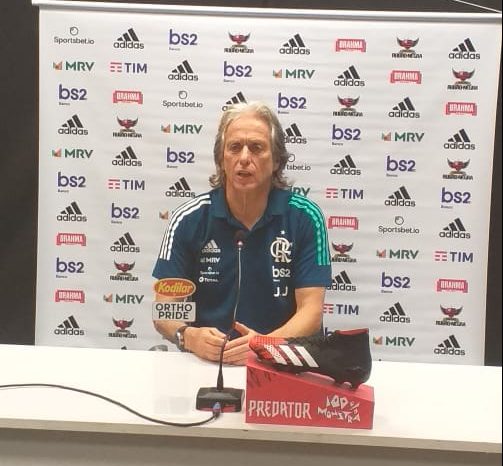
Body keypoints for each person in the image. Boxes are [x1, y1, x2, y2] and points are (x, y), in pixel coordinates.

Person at [152, 101, 331, 365]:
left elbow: (311, 312)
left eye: (256, 148)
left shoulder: (305, 217)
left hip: (281, 364)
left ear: (276, 160)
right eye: (234, 147)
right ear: (221, 159)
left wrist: (264, 347)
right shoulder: (189, 219)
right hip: (208, 362)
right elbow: (165, 310)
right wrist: (188, 336)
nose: (244, 158)